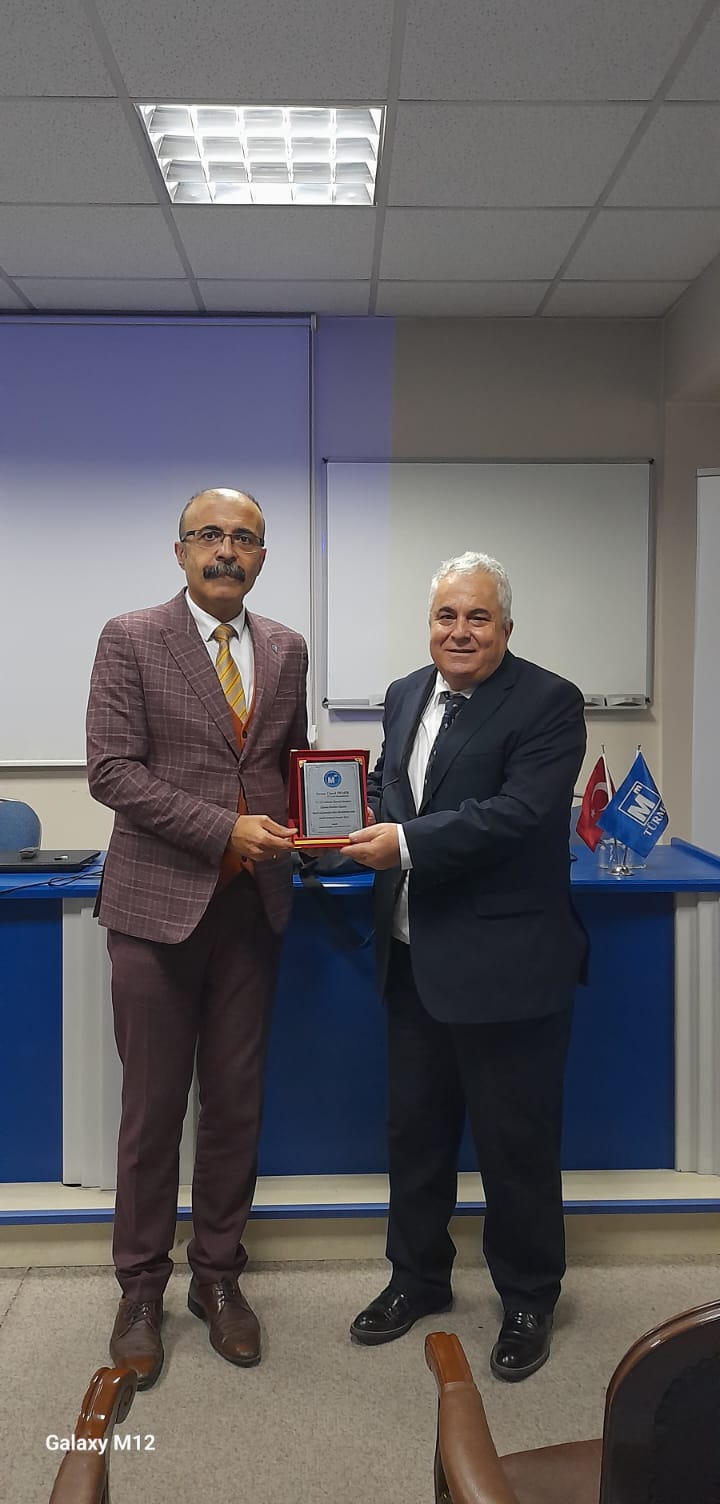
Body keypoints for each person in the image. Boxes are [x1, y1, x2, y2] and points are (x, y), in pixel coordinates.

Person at [345, 551, 587, 1381]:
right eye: (446, 616)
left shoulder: (549, 700)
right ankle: (416, 1278)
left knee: (516, 1144)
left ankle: (528, 1298)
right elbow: (391, 795)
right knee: (414, 1136)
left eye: (477, 617)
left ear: (506, 627)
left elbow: (519, 813)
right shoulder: (405, 693)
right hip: (412, 958)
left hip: (507, 965)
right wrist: (333, 827)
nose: (460, 631)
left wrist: (403, 843)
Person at [86, 487, 308, 1389]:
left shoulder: (286, 648)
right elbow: (111, 770)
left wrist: (334, 819)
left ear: (262, 558)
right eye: (209, 535)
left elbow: (291, 764)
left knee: (234, 1105)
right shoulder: (132, 637)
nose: (227, 550)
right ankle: (141, 1290)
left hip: (253, 912)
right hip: (154, 912)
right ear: (179, 550)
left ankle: (218, 1276)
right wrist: (224, 829)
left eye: (244, 538)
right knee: (151, 1112)